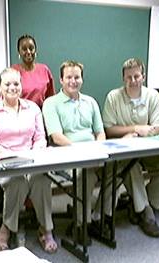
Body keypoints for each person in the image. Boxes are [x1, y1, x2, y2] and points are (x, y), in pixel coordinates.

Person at [98, 58, 159, 238]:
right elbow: (109, 129)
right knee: (130, 166)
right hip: (124, 153)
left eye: (136, 76)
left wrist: (144, 133)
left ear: (143, 77)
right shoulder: (113, 97)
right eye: (128, 77)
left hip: (149, 150)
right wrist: (135, 129)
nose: (133, 81)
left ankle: (139, 203)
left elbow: (158, 126)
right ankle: (145, 213)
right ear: (123, 78)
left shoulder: (153, 96)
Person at [0, 68, 57, 253]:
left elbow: (41, 137)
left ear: (21, 86)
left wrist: (33, 154)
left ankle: (46, 228)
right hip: (4, 162)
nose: (12, 87)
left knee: (41, 179)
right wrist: (8, 156)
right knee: (17, 181)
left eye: (16, 83)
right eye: (7, 84)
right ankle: (6, 228)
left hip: (31, 160)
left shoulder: (32, 108)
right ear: (0, 87)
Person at [42, 60, 105, 243]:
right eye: (68, 77)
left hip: (94, 153)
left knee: (115, 171)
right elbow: (56, 137)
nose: (73, 81)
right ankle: (81, 224)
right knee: (87, 175)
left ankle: (99, 218)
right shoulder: (51, 103)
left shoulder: (91, 102)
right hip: (66, 157)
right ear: (61, 79)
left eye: (77, 77)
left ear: (82, 80)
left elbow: (100, 132)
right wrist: (82, 153)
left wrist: (99, 148)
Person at [11, 34, 55, 108]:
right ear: (19, 52)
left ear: (35, 50)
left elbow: (51, 98)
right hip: (20, 114)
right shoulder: (13, 71)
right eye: (24, 49)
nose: (28, 52)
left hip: (41, 114)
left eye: (31, 48)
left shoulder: (44, 70)